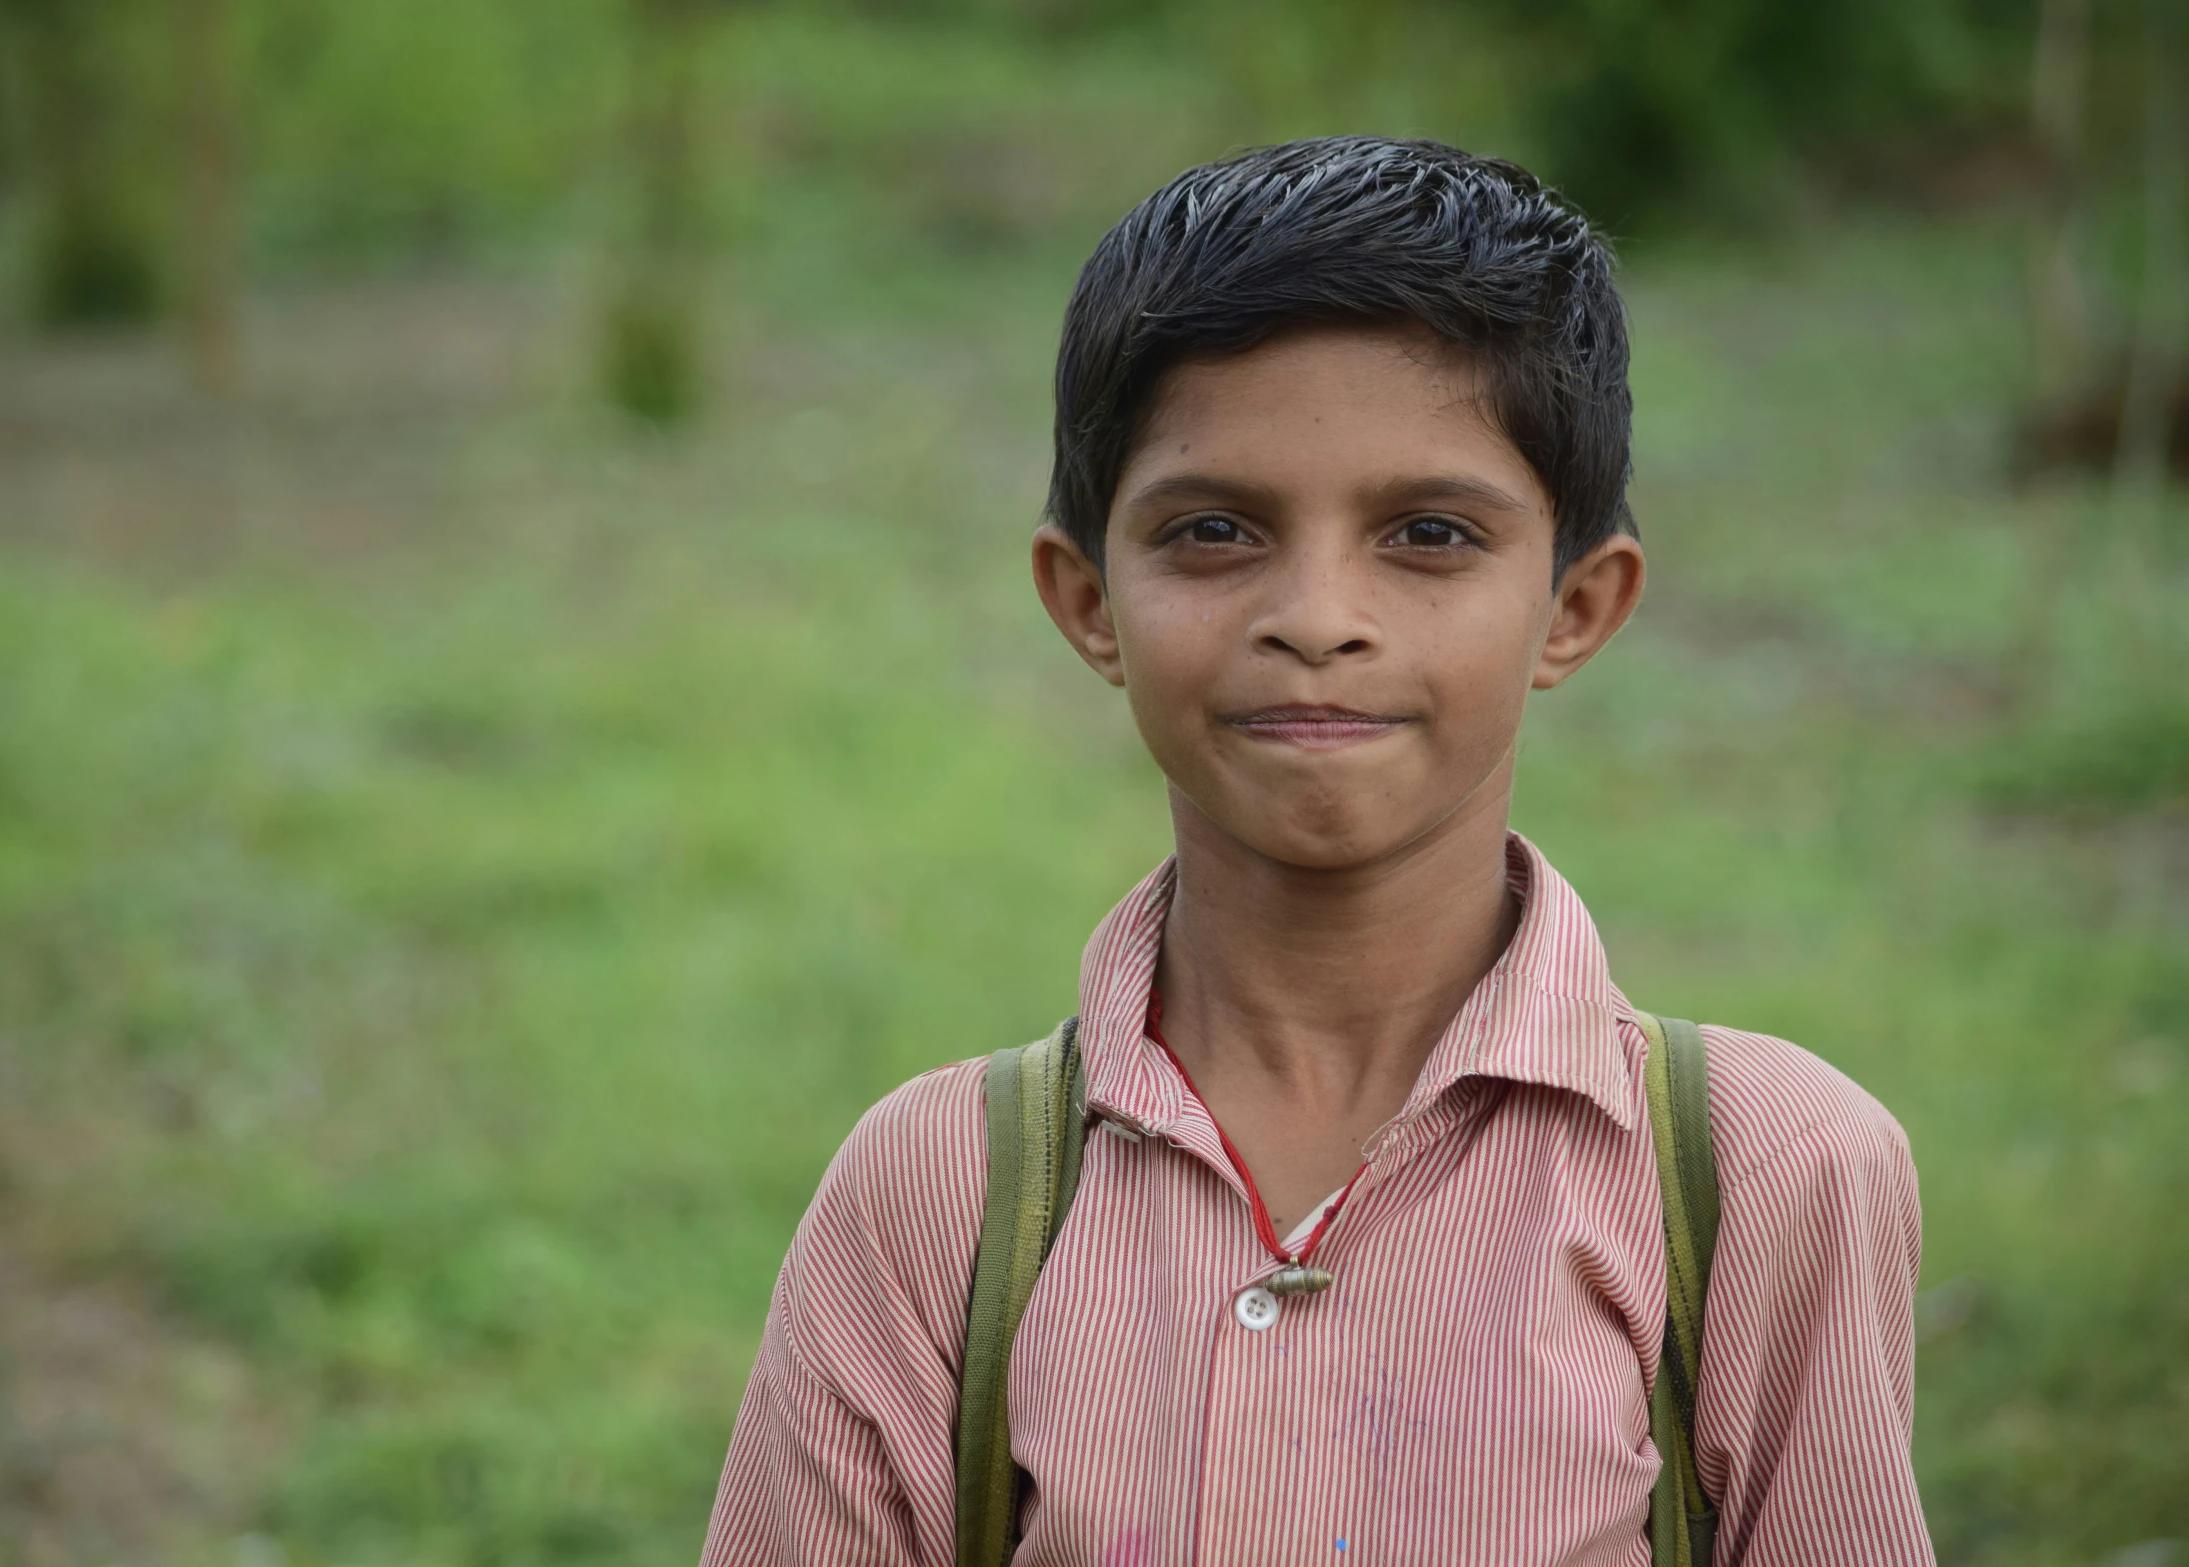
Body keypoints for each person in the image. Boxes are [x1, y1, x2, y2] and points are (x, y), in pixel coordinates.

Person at [700, 136, 1933, 1566]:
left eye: (1427, 532)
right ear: (1088, 599)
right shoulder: (940, 1193)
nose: (1317, 616)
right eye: (1214, 529)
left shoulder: (1761, 1174)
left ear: (1575, 607)